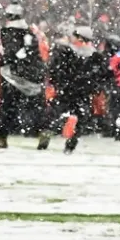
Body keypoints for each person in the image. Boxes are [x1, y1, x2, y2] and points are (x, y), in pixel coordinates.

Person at [0, 4, 48, 149]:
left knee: (7, 107)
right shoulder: (29, 32)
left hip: (14, 75)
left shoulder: (10, 32)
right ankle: (42, 132)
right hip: (33, 74)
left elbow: (13, 53)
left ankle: (2, 138)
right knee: (35, 106)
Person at [49, 25, 107, 153]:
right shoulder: (95, 56)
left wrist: (57, 82)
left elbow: (55, 70)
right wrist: (95, 86)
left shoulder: (66, 52)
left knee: (57, 113)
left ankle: (49, 133)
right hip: (83, 91)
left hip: (68, 89)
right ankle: (71, 140)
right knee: (81, 116)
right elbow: (103, 75)